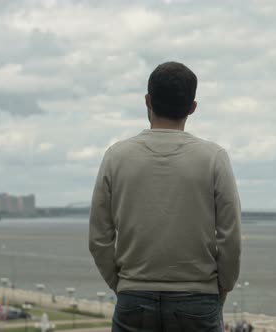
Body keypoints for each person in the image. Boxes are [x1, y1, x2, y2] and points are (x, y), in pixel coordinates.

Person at [89, 61, 242, 331]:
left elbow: (99, 238)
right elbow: (230, 238)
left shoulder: (116, 156)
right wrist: (221, 288)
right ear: (193, 107)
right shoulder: (214, 158)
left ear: (147, 100)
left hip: (132, 297)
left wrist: (123, 285)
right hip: (198, 298)